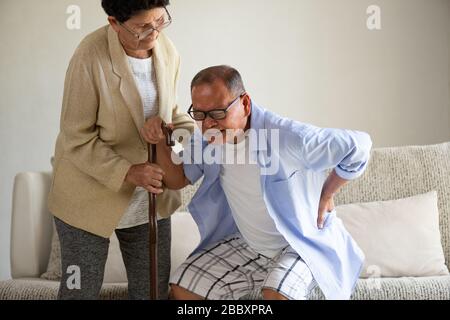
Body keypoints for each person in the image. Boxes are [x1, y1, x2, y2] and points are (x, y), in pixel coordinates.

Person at [141, 65, 372, 300]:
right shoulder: (208, 139)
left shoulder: (289, 137)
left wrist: (327, 193)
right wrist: (160, 139)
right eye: (199, 114)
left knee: (276, 295)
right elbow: (178, 178)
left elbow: (360, 146)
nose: (209, 123)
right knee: (183, 288)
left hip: (299, 245)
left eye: (218, 113)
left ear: (245, 104)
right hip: (249, 243)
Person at [48, 0, 194, 300]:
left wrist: (180, 138)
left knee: (152, 293)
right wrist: (129, 171)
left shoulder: (166, 49)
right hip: (88, 194)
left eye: (160, 21)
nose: (154, 32)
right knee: (80, 292)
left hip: (150, 198)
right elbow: (76, 137)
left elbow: (176, 116)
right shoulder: (89, 56)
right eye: (142, 26)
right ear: (115, 22)